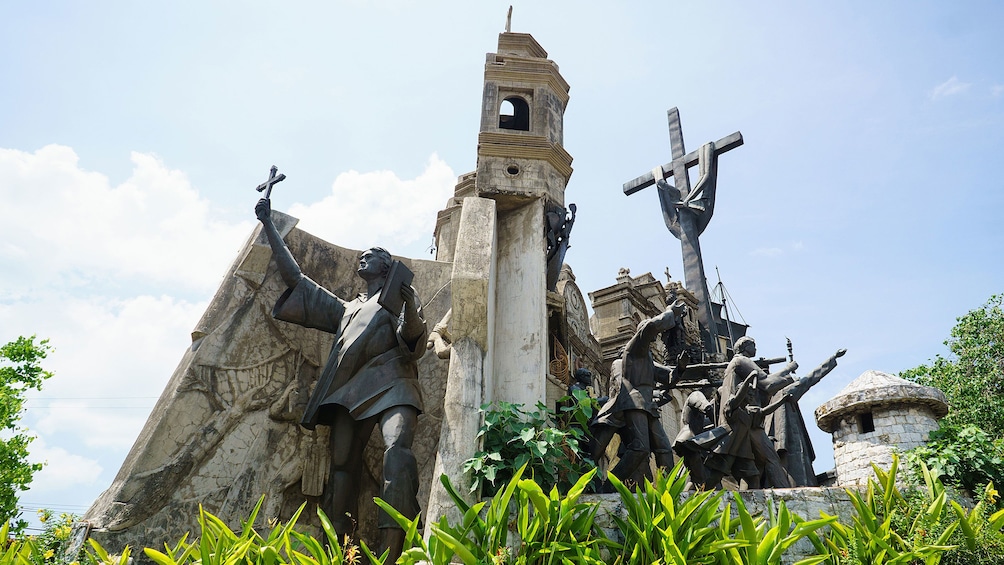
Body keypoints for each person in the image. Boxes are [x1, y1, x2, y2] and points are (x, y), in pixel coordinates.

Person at [255, 198, 427, 562]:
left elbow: (414, 343)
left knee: (398, 452)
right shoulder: (347, 309)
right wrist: (269, 225)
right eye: (360, 256)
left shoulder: (398, 300)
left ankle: (394, 554)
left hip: (395, 387)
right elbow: (298, 281)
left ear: (387, 265)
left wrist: (411, 306)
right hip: (351, 394)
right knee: (341, 469)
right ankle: (339, 553)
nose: (361, 260)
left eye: (370, 256)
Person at [590, 301, 688, 485]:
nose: (653, 338)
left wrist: (680, 369)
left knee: (665, 449)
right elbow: (650, 327)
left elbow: (668, 376)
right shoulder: (633, 350)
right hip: (634, 403)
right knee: (640, 448)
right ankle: (610, 485)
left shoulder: (647, 359)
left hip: (647, 406)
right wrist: (669, 312)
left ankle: (668, 489)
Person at [706, 336, 797, 489]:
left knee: (749, 471)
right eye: (753, 345)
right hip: (743, 419)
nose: (755, 348)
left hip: (738, 420)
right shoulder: (741, 360)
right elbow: (767, 384)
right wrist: (789, 370)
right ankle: (787, 498)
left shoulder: (733, 364)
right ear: (745, 346)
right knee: (769, 459)